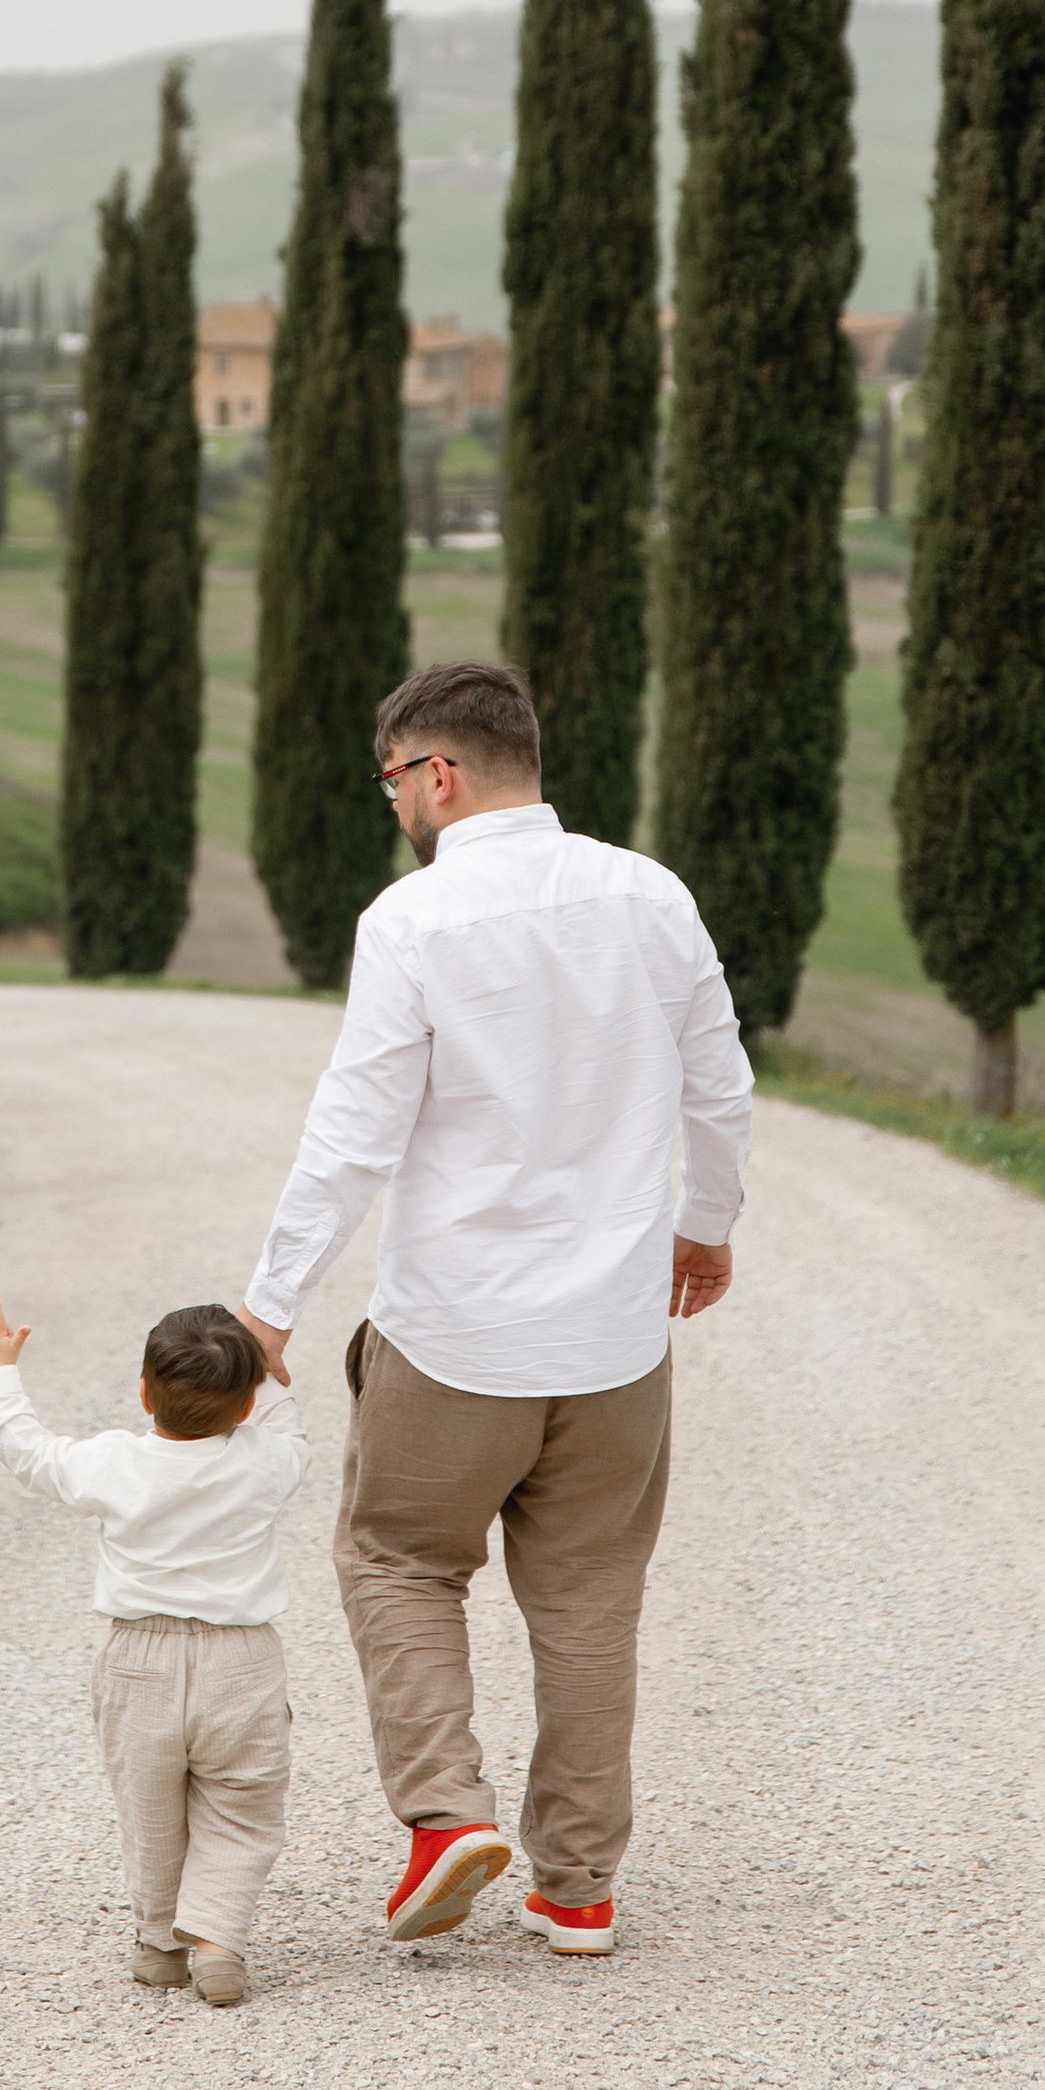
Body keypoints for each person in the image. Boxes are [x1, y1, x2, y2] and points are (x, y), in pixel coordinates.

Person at [240, 660, 750, 1957]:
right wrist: (708, 1228)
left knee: (398, 1560)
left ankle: (442, 1817)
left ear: (438, 774)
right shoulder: (651, 895)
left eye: (393, 782)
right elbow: (721, 1086)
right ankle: (576, 1887)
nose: (395, 807)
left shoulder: (415, 923)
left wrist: (272, 1301)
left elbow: (353, 1133)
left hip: (455, 1336)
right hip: (620, 1343)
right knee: (590, 1602)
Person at [0, 1293, 305, 2007]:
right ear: (246, 1406)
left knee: (150, 1807)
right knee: (243, 1809)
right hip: (240, 1660)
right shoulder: (267, 1462)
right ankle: (218, 1937)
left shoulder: (111, 1462)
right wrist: (268, 1359)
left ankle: (160, 1943)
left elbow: (26, 1450)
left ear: (144, 1394)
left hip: (139, 1662)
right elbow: (285, 1420)